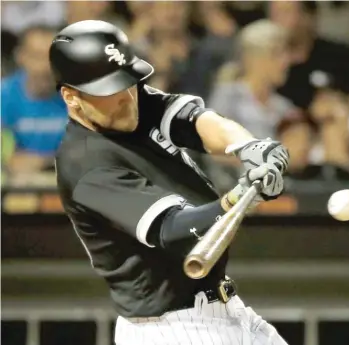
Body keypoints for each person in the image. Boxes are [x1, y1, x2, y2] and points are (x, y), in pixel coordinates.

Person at [50, 20, 290, 345]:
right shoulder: (85, 163)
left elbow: (196, 122)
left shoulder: (129, 102)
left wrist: (249, 147)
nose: (127, 98)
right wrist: (239, 198)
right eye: (109, 90)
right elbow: (173, 230)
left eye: (128, 82)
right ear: (71, 97)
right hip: (169, 328)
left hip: (221, 309)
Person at [270, 1, 349, 182]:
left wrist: (339, 112)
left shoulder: (339, 56)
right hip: (285, 138)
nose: (277, 21)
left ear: (308, 17)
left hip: (338, 137)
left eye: (286, 12)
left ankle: (337, 181)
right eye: (274, 13)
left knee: (335, 129)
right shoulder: (268, 61)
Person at [204, 20, 309, 192]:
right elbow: (213, 149)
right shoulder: (228, 96)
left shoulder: (284, 107)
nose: (286, 61)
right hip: (231, 193)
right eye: (277, 54)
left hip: (279, 193)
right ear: (254, 59)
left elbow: (296, 156)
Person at [1, 25, 68, 175]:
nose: (46, 67)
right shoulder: (3, 97)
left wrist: (43, 163)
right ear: (20, 57)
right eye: (37, 57)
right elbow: (10, 161)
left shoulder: (79, 98)